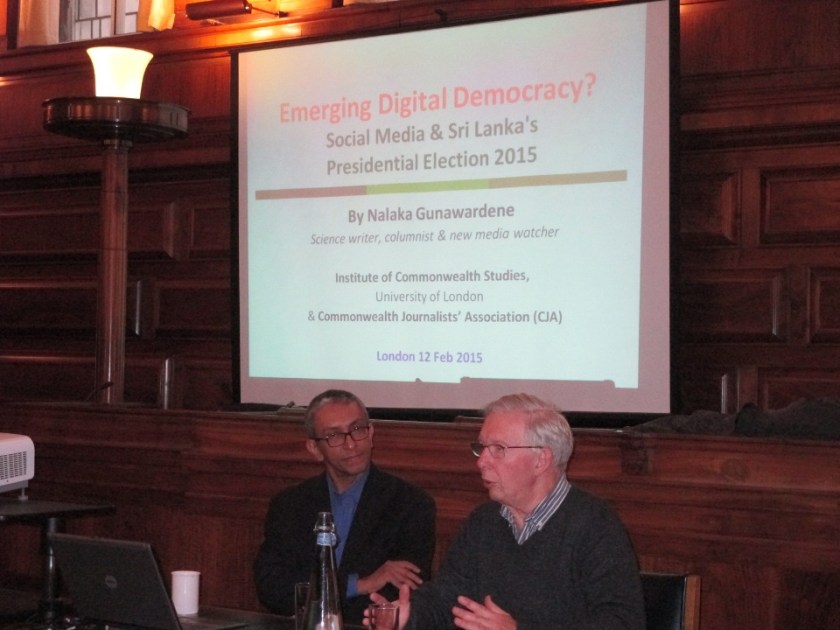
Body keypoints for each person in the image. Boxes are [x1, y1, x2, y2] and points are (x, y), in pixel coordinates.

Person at [371, 393, 645, 630]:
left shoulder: (595, 525)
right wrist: (407, 616)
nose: (482, 462)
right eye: (482, 448)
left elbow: (622, 623)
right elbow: (448, 600)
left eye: (498, 449)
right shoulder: (483, 522)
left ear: (541, 460)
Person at [253, 389, 436, 624]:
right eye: (334, 436)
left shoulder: (410, 504)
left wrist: (338, 594)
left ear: (371, 434)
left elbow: (401, 594)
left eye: (357, 430)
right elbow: (272, 588)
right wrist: (359, 584)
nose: (351, 444)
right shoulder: (289, 505)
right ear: (314, 448)